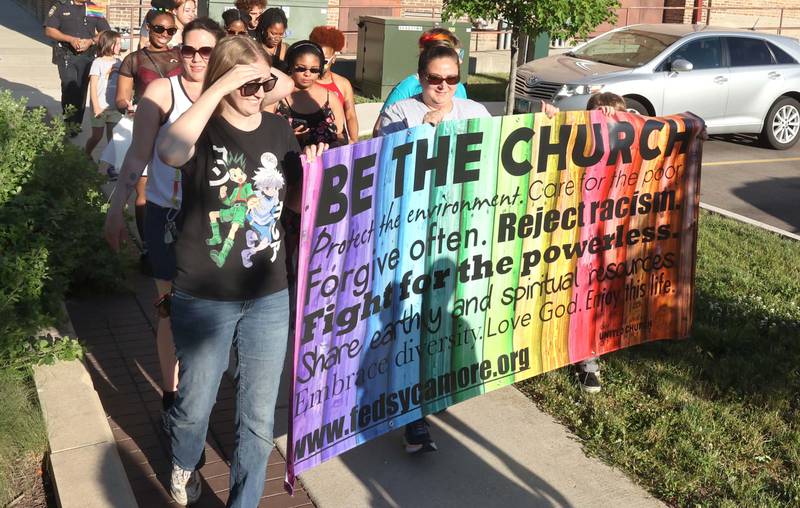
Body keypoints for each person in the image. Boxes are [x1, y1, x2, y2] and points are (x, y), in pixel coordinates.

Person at [155, 34, 325, 507]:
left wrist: (309, 183)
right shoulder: (200, 128)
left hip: (269, 292)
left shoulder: (277, 129)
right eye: (245, 85)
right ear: (224, 80)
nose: (257, 93)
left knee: (257, 417)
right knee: (195, 406)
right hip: (205, 294)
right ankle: (184, 459)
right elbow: (169, 152)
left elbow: (290, 203)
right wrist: (220, 85)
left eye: (263, 84)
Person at [104, 17, 226, 443]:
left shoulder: (228, 93)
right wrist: (115, 209)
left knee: (214, 308)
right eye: (188, 50)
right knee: (169, 309)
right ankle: (172, 396)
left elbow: (282, 84)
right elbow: (137, 155)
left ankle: (203, 386)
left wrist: (242, 70)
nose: (195, 58)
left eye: (206, 51)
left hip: (215, 220)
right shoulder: (162, 91)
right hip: (167, 214)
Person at [377, 43, 490, 453]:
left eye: (452, 79)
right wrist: (422, 130)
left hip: (459, 229)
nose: (443, 87)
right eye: (434, 79)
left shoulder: (474, 113)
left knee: (443, 316)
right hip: (411, 234)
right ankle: (412, 418)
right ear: (420, 78)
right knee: (409, 319)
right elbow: (385, 168)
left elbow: (494, 159)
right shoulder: (399, 113)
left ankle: (433, 387)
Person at [117, 9, 183, 263]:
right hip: (147, 128)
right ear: (147, 26)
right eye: (159, 29)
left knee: (177, 189)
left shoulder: (182, 55)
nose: (164, 35)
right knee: (144, 194)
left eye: (171, 31)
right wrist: (128, 106)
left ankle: (176, 242)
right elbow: (121, 98)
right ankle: (148, 246)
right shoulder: (134, 59)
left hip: (177, 129)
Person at [573, 91, 627, 394]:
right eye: (600, 116)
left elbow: (660, 133)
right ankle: (576, 354)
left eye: (617, 118)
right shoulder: (576, 143)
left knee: (597, 297)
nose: (608, 123)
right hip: (575, 236)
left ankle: (589, 360)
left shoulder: (630, 147)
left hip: (611, 236)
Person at [373, 28, 468, 136]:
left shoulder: (458, 88)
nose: (460, 60)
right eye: (457, 55)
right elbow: (379, 129)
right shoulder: (408, 86)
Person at [44, 0, 111, 131]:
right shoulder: (60, 6)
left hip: (87, 56)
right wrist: (71, 39)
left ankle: (76, 123)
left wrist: (91, 41)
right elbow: (49, 30)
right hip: (65, 54)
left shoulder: (92, 7)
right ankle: (69, 121)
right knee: (69, 85)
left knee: (81, 89)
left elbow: (106, 31)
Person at [309, 25, 359, 143]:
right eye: (317, 58)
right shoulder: (306, 81)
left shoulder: (343, 84)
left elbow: (350, 114)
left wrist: (354, 141)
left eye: (325, 60)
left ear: (334, 59)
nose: (320, 64)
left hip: (337, 141)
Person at [85, 30, 123, 169]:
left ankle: (112, 166)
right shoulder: (98, 62)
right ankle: (86, 153)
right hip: (100, 107)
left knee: (113, 139)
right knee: (97, 136)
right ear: (108, 44)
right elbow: (93, 86)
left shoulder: (120, 62)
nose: (120, 45)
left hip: (114, 108)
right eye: (117, 43)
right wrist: (96, 107)